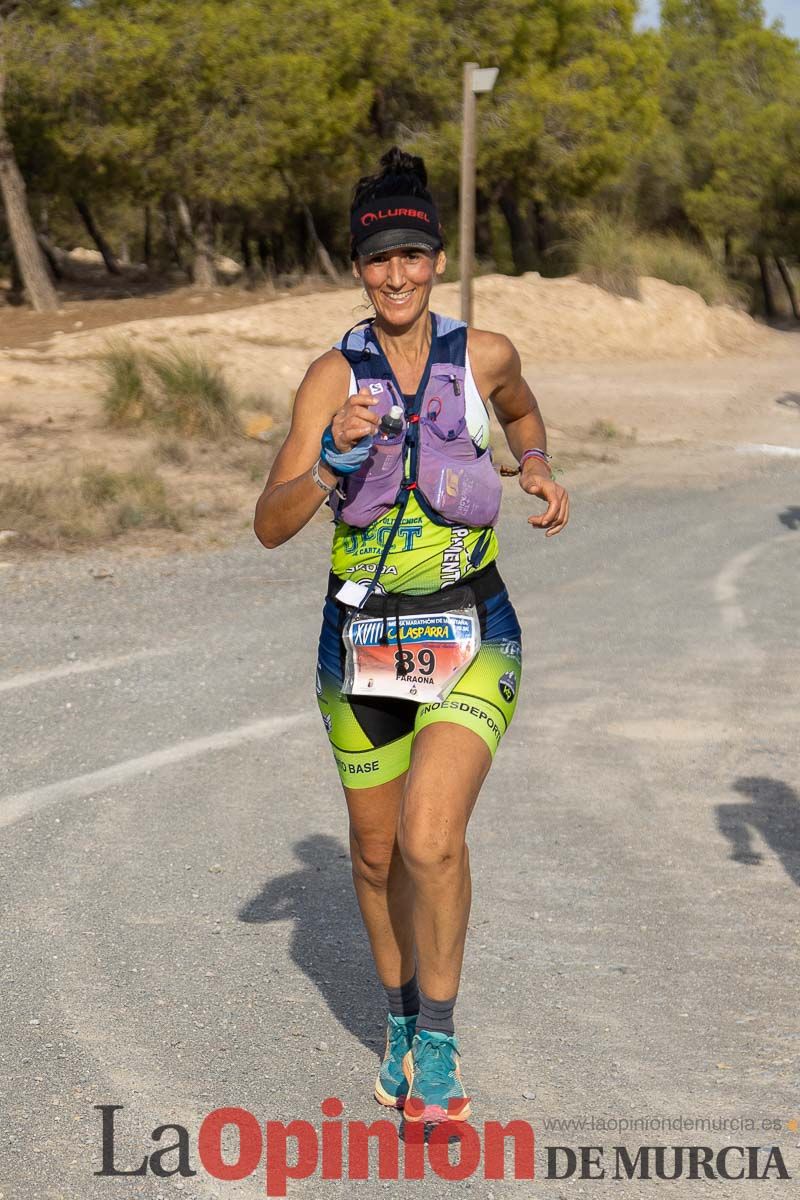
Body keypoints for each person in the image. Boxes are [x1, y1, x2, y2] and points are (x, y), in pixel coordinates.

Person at [254, 147, 569, 1124]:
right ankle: (396, 1018)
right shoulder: (326, 379)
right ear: (358, 265)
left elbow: (517, 407)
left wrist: (537, 463)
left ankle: (435, 1038)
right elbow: (269, 521)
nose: (395, 274)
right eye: (377, 257)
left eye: (413, 254)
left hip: (473, 624)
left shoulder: (482, 355)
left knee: (433, 840)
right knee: (377, 852)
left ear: (437, 257)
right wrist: (333, 458)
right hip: (357, 647)